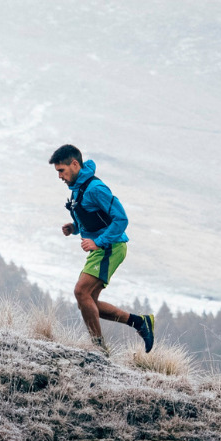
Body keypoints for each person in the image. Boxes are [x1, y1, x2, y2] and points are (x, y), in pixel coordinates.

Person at [50, 144, 155, 356]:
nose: (59, 176)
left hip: (111, 246)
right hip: (102, 247)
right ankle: (139, 322)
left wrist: (98, 242)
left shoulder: (95, 188)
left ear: (75, 164)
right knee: (89, 301)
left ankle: (98, 350)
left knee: (81, 292)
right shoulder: (78, 188)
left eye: (61, 170)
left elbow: (121, 219)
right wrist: (74, 228)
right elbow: (94, 218)